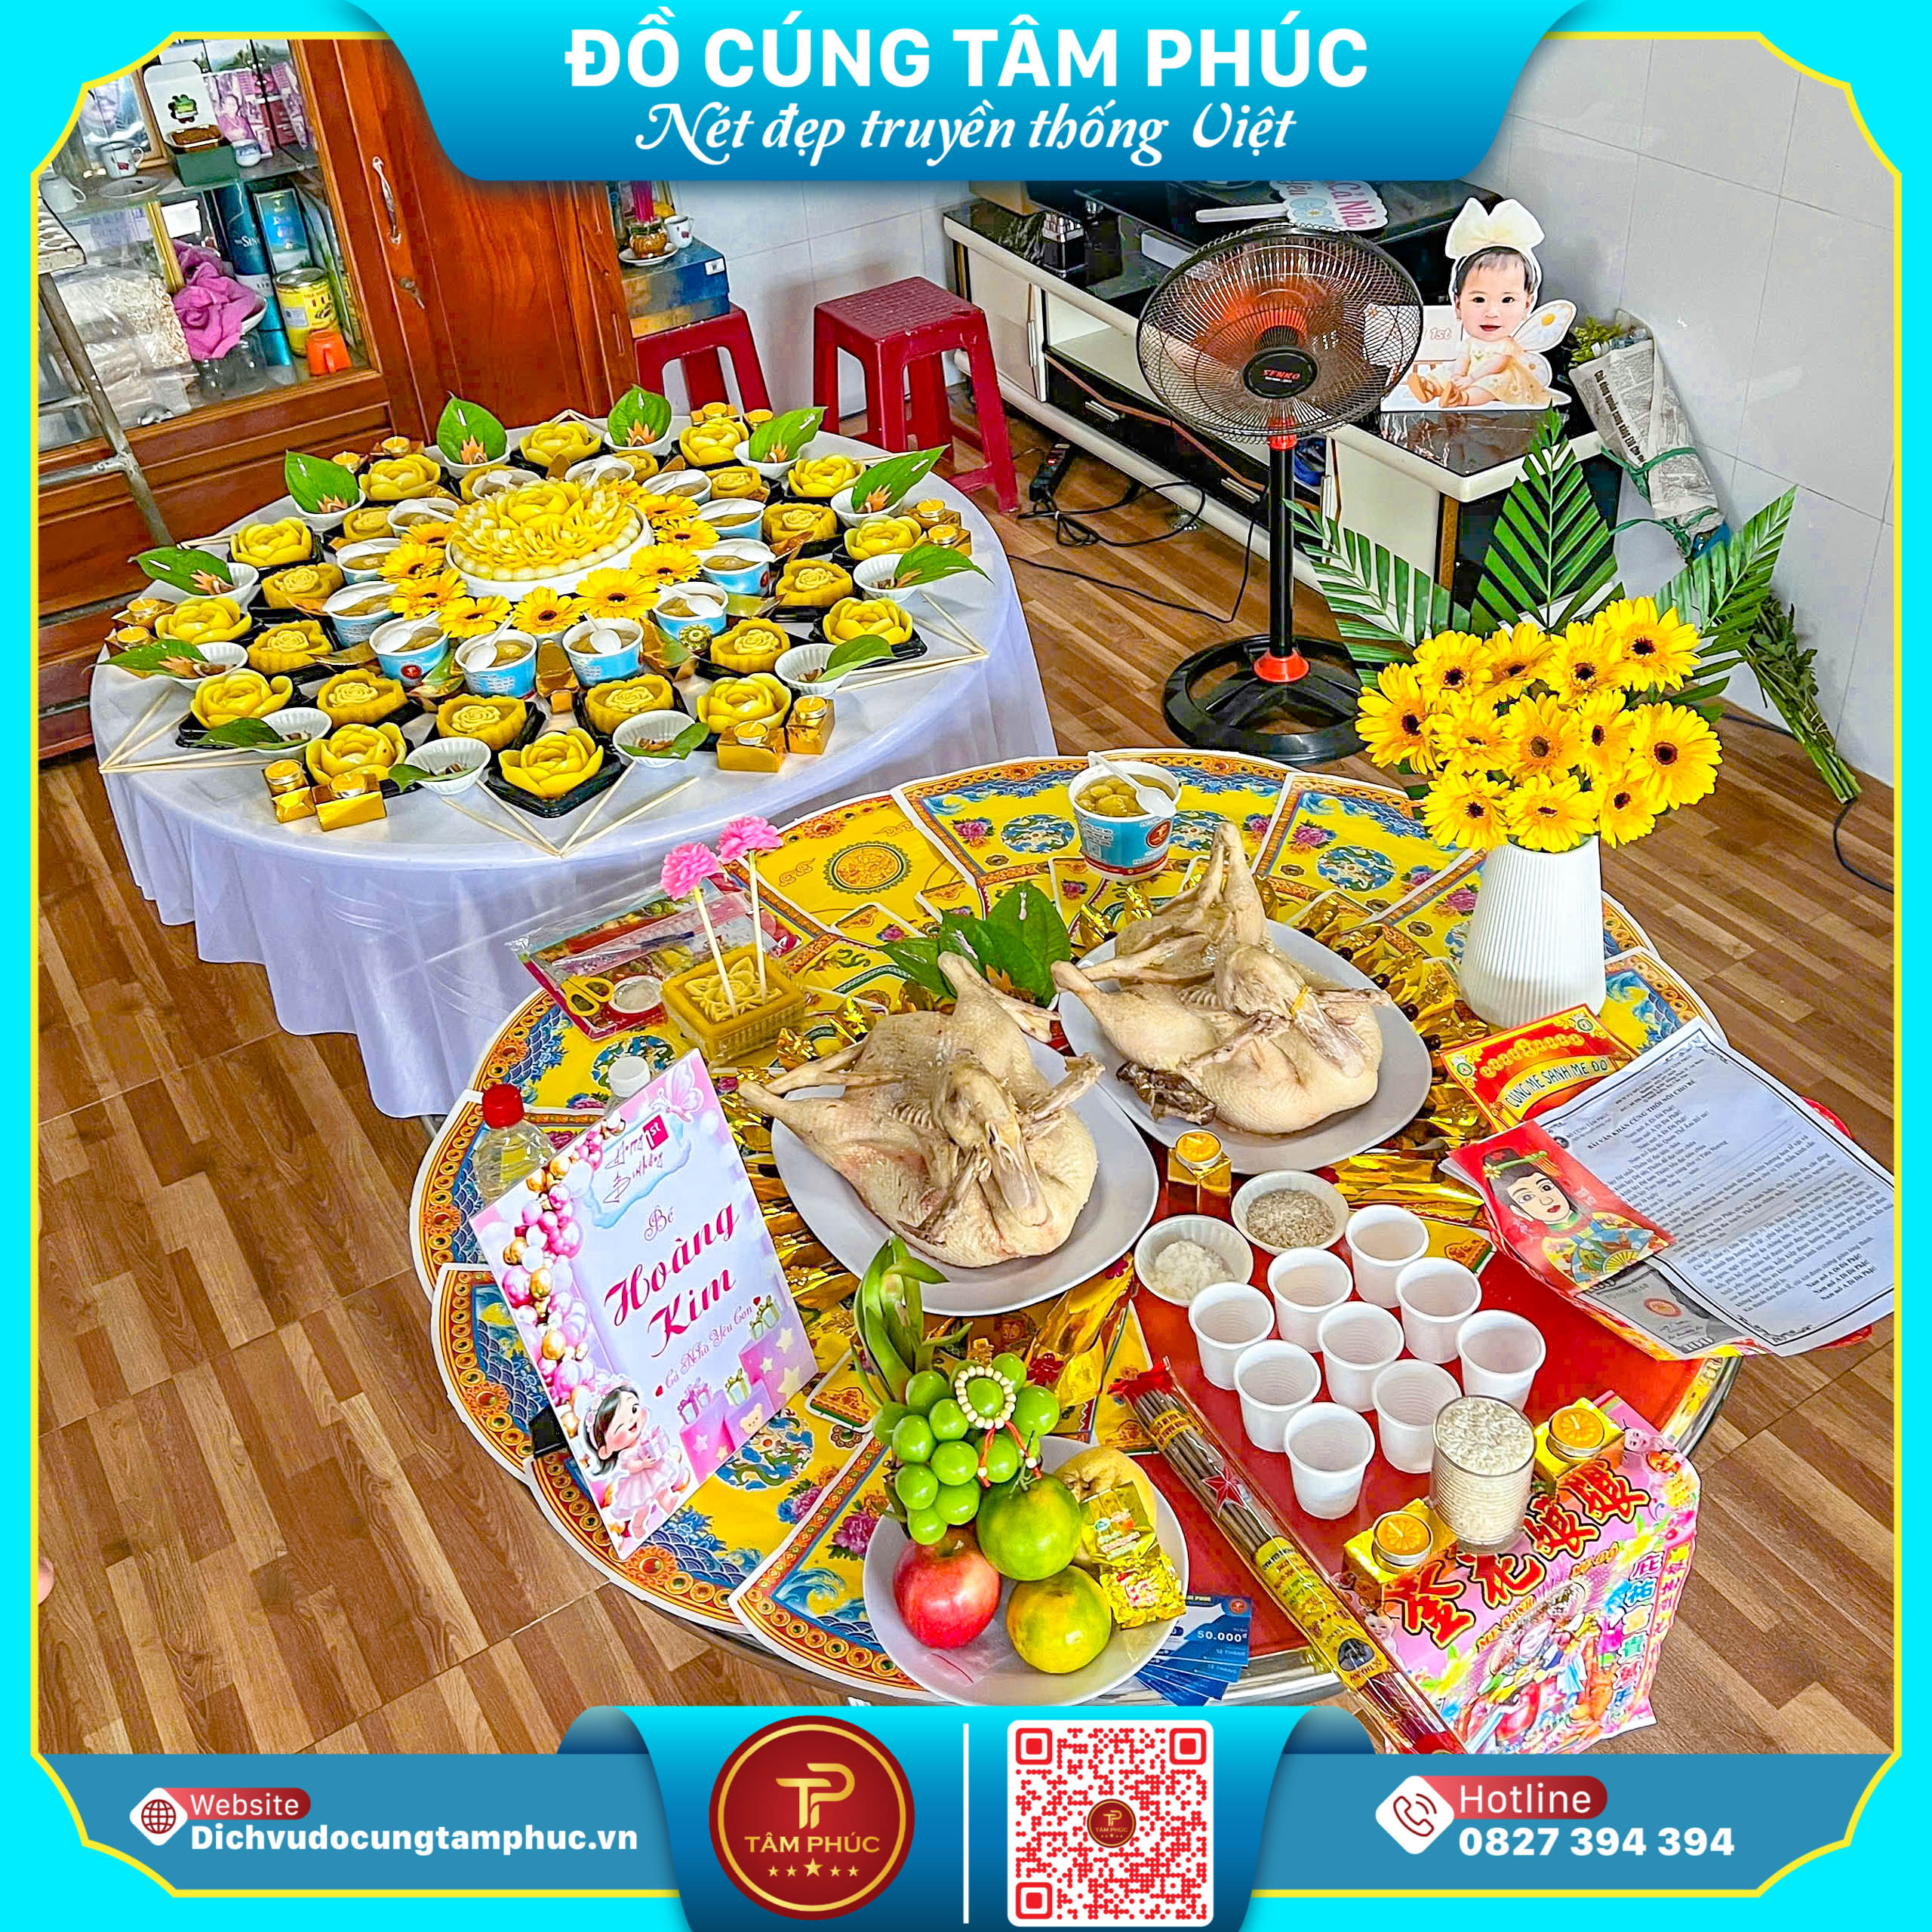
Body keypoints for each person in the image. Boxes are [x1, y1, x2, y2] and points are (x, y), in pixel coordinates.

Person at [1483, 1151, 1662, 1287]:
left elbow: (1650, 1241)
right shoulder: (1551, 1248)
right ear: (1519, 1211)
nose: (1546, 1200)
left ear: (1559, 1187)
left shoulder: (1605, 1219)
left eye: (1546, 1187)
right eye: (1527, 1198)